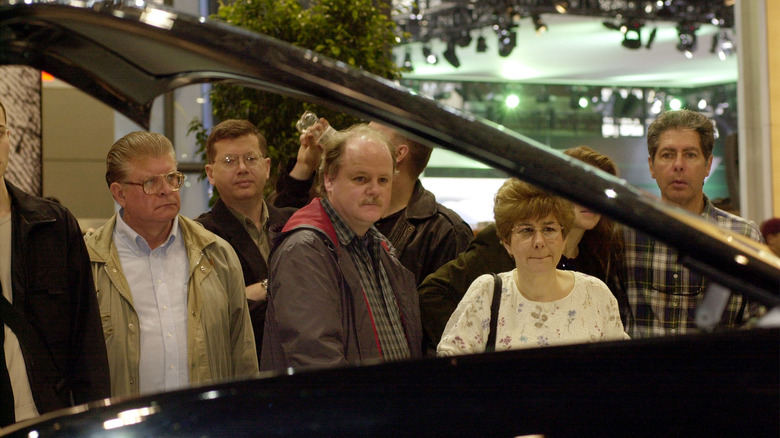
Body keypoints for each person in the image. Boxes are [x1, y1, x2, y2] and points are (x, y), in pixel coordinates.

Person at [85, 131, 258, 398]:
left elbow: (243, 357)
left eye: (172, 178)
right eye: (151, 182)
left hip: (203, 425)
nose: (166, 190)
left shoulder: (217, 255)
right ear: (119, 193)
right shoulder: (90, 263)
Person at [419, 146, 628, 347]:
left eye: (600, 189)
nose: (592, 198)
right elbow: (433, 293)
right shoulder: (500, 249)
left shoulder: (598, 260)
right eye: (582, 187)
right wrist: (477, 340)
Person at [261, 124, 422, 371]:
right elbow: (317, 361)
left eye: (383, 180)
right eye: (361, 178)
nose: (374, 190)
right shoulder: (305, 250)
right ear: (329, 179)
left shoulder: (380, 248)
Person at [0, 98, 109, 427]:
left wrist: (95, 422)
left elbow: (86, 340)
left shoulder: (52, 226)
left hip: (45, 418)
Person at [273, 117, 473, 286]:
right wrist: (304, 167)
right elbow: (281, 232)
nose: (362, 137)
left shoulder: (445, 232)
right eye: (360, 178)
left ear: (397, 154)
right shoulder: (345, 213)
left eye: (372, 133)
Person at [622, 109, 764, 337]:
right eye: (668, 155)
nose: (678, 165)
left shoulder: (742, 234)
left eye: (690, 155)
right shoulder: (626, 232)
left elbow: (758, 324)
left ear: (707, 165)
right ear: (651, 166)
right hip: (643, 370)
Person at [195, 120, 296, 361]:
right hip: (243, 368)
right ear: (211, 173)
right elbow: (216, 313)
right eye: (229, 161)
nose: (242, 168)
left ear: (267, 166)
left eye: (251, 159)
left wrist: (253, 292)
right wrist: (271, 287)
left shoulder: (294, 222)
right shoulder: (201, 235)